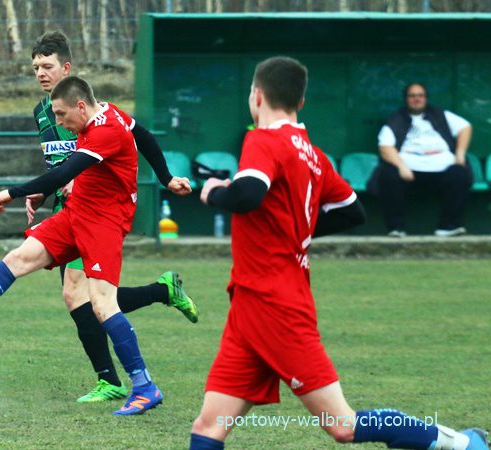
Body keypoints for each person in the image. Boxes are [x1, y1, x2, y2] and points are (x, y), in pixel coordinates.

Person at [189, 57, 488, 450]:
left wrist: (214, 192)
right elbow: (352, 211)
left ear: (257, 96)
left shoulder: (263, 140)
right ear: (301, 101)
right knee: (210, 424)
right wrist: (293, 230)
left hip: (274, 303)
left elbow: (246, 195)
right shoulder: (313, 155)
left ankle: (463, 444)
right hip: (251, 301)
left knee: (342, 425)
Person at [0, 76, 169, 416]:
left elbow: (61, 174)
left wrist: (12, 192)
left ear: (80, 106)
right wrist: (168, 178)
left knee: (101, 304)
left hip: (104, 224)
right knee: (18, 258)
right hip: (77, 213)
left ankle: (144, 386)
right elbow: (145, 137)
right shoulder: (105, 112)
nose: (59, 122)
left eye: (62, 114)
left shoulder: (107, 130)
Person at [25, 30, 197, 404]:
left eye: (47, 66)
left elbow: (140, 137)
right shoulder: (41, 113)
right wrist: (43, 191)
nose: (40, 73)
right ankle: (162, 292)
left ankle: (112, 380)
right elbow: (60, 164)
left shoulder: (95, 109)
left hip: (96, 211)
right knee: (85, 297)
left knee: (79, 295)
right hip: (66, 210)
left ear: (66, 68)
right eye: (35, 67)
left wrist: (166, 178)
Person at [376, 82, 473, 237]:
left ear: (426, 98)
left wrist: (460, 153)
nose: (417, 99)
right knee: (388, 174)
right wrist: (401, 166)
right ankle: (396, 229)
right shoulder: (396, 120)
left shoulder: (440, 115)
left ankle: (448, 227)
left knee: (460, 174)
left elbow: (465, 127)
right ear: (406, 99)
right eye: (412, 96)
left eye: (420, 95)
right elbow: (385, 147)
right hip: (408, 172)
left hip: (442, 170)